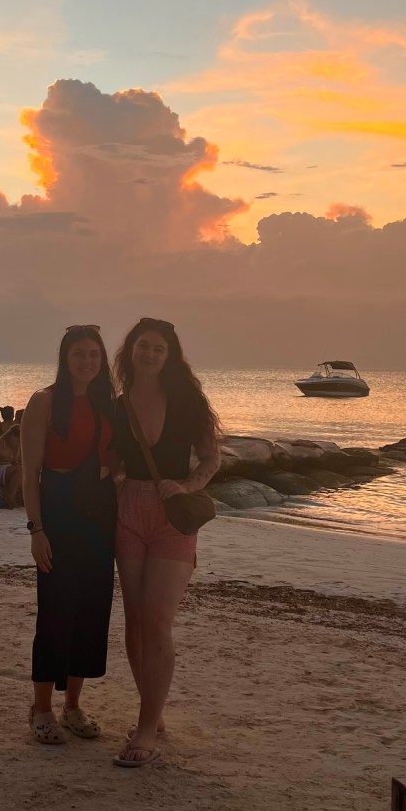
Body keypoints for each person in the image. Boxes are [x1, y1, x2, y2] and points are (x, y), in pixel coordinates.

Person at [111, 318, 220, 768]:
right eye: (144, 346)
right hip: (128, 512)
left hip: (173, 514)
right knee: (135, 620)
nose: (151, 354)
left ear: (170, 355)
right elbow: (110, 458)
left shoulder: (188, 401)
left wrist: (190, 485)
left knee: (157, 620)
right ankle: (151, 713)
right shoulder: (118, 405)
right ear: (131, 350)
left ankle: (145, 727)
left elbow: (211, 457)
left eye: (159, 348)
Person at [21, 325, 116, 746]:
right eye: (79, 353)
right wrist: (36, 529)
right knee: (56, 609)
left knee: (92, 609)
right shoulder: (43, 401)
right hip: (58, 510)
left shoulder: (106, 400)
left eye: (94, 354)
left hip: (100, 511)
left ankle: (73, 705)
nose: (87, 362)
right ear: (65, 357)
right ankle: (41, 707)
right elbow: (30, 472)